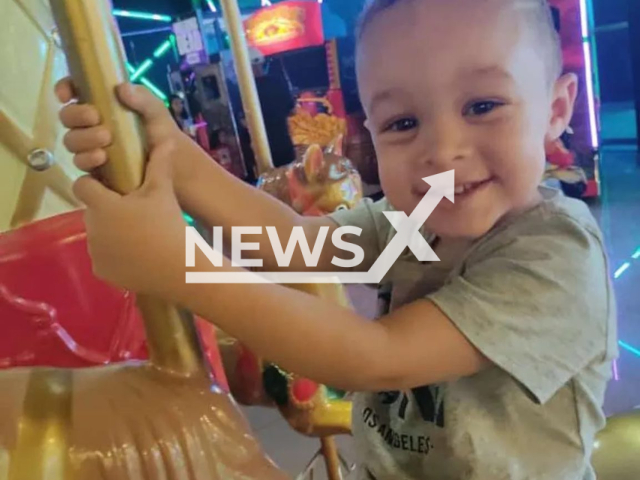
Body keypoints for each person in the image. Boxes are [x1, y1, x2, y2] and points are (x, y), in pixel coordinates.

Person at [56, 0, 616, 478]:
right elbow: (292, 242)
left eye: (483, 106)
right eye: (403, 123)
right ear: (370, 133)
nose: (443, 151)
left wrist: (178, 267)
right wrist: (173, 157)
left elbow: (376, 358)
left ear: (556, 110)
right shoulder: (417, 223)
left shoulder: (556, 255)